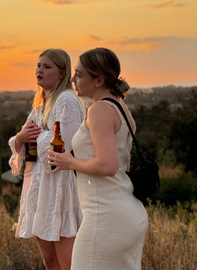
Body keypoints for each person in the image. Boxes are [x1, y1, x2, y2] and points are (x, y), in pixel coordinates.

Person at [48, 47, 148, 269]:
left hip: (106, 217)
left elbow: (108, 165)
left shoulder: (99, 110)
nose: (73, 79)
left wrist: (69, 162)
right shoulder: (121, 108)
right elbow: (121, 163)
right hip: (127, 212)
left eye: (79, 74)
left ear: (99, 80)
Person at [8, 49, 85, 270]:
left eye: (47, 67)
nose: (39, 70)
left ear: (62, 73)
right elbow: (24, 136)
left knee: (67, 263)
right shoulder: (41, 103)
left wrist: (37, 135)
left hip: (60, 186)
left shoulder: (67, 100)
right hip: (41, 187)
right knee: (50, 261)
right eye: (38, 65)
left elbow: (62, 148)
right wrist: (22, 138)